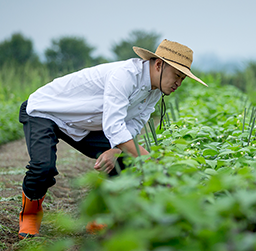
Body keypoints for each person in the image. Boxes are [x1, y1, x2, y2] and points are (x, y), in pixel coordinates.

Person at [17, 39, 207, 239]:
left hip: (85, 123)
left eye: (183, 79)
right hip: (46, 112)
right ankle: (29, 216)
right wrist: (155, 167)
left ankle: (101, 217)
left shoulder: (155, 92)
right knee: (43, 167)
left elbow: (133, 126)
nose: (178, 83)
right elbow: (114, 126)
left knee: (125, 159)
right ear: (159, 65)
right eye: (176, 76)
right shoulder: (125, 75)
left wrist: (115, 150)